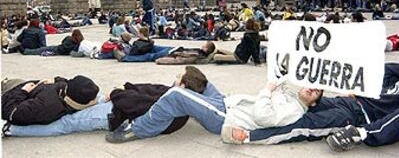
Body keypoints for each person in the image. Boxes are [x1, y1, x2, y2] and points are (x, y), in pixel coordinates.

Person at [219, 58, 399, 145]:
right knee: (299, 102)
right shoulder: (397, 77)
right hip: (344, 101)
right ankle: (254, 113)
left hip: (354, 115)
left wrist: (367, 132)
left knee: (306, 126)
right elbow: (378, 70)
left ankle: (250, 136)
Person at [105, 69, 322, 143]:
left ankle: (138, 128)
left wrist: (268, 89)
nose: (312, 88)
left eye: (317, 92)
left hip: (225, 118)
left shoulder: (294, 111)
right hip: (225, 102)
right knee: (194, 76)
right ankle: (157, 104)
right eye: (312, 86)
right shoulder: (290, 96)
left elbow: (264, 117)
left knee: (176, 95)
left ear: (313, 103)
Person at [3, 66, 207, 137]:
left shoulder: (174, 111)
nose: (175, 77)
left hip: (113, 114)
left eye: (179, 76)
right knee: (81, 94)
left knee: (66, 124)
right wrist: (125, 87)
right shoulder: (175, 96)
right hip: (117, 104)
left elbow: (137, 104)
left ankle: (11, 129)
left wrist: (119, 93)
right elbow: (147, 89)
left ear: (183, 87)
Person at [326, 55, 399, 151]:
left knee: (315, 121)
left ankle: (363, 133)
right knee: (315, 103)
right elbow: (386, 69)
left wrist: (365, 131)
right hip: (352, 102)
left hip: (362, 114)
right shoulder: (397, 79)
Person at [1, 75, 99, 126]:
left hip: (12, 95)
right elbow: (67, 82)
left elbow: (11, 113)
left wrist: (23, 91)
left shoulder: (45, 106)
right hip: (31, 88)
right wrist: (55, 80)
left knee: (11, 83)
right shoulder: (77, 96)